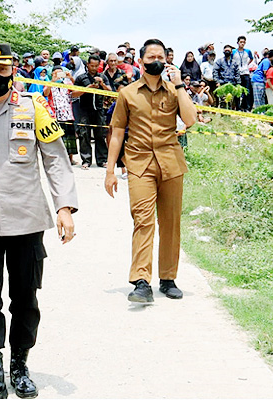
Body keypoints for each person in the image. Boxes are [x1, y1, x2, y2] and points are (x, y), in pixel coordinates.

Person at [0, 43, 77, 400]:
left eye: (2, 68)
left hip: (28, 219)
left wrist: (64, 206)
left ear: (13, 70)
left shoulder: (35, 109)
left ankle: (20, 365)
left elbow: (55, 159)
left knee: (25, 296)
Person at [105, 38, 197, 303]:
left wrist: (179, 84)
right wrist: (110, 170)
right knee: (143, 220)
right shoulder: (128, 93)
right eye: (150, 57)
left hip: (171, 163)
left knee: (170, 223)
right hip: (139, 163)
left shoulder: (174, 90)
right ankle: (141, 281)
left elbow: (190, 120)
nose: (156, 60)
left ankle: (168, 279)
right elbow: (117, 132)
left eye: (161, 56)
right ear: (141, 62)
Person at [72, 54, 108, 169]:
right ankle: (86, 160)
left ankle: (102, 160)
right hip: (84, 110)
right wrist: (87, 88)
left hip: (98, 110)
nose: (93, 68)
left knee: (100, 135)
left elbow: (110, 92)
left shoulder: (103, 76)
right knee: (84, 135)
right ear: (87, 65)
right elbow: (73, 93)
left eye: (96, 66)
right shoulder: (81, 78)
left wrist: (101, 84)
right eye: (91, 65)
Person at [44, 65, 78, 165]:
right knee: (58, 139)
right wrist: (52, 81)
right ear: (52, 74)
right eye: (56, 73)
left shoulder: (67, 83)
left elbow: (76, 89)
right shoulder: (48, 83)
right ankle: (58, 159)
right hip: (55, 115)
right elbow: (46, 93)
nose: (59, 75)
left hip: (67, 114)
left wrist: (70, 77)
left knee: (70, 138)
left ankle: (70, 158)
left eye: (60, 73)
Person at [233, 35, 254, 111]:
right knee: (238, 90)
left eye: (244, 42)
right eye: (241, 42)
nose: (242, 44)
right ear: (237, 43)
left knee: (247, 90)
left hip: (245, 72)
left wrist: (247, 64)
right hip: (237, 73)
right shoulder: (234, 51)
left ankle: (247, 107)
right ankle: (238, 107)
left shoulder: (248, 51)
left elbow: (251, 58)